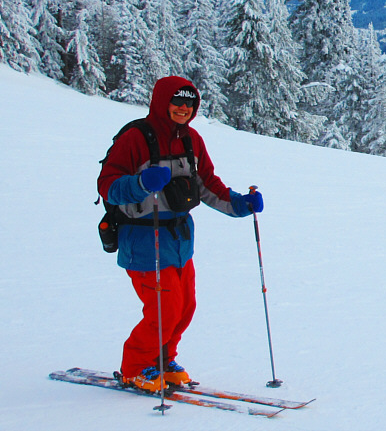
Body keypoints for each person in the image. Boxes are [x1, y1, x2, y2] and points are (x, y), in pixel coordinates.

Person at [97, 76, 264, 393]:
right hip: (144, 239)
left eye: (190, 103)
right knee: (165, 309)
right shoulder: (136, 138)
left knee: (185, 308)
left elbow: (207, 184)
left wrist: (240, 204)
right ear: (162, 102)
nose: (183, 108)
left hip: (180, 240)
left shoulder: (192, 140)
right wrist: (141, 183)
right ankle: (135, 368)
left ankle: (162, 360)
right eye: (177, 101)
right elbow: (107, 185)